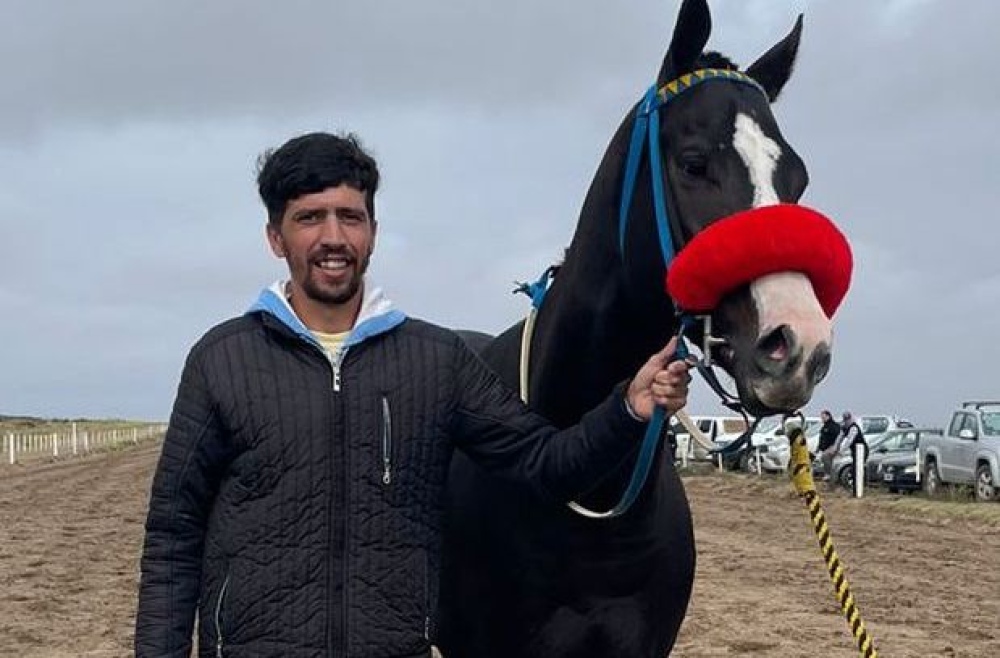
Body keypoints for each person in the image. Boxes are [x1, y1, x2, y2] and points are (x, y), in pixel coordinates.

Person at [134, 131, 693, 658]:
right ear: (276, 237)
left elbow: (545, 462)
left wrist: (628, 408)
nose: (333, 238)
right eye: (309, 218)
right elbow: (173, 534)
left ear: (371, 231)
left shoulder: (436, 360)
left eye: (349, 217)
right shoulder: (222, 359)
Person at [817, 409, 841, 481]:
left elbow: (838, 437)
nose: (822, 419)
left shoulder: (834, 426)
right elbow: (822, 438)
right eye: (822, 417)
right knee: (822, 458)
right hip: (824, 448)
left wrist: (834, 446)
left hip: (832, 447)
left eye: (823, 417)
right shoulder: (824, 426)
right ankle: (827, 474)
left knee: (825, 456)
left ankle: (829, 474)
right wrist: (818, 447)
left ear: (828, 416)